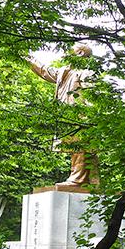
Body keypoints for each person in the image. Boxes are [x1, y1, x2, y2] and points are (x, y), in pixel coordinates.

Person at [26, 45, 98, 187]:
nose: (66, 53)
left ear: (80, 53)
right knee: (74, 149)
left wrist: (91, 118)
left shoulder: (87, 73)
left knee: (81, 147)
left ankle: (78, 179)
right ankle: (79, 178)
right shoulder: (64, 72)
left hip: (81, 115)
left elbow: (93, 98)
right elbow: (45, 71)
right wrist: (28, 58)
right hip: (67, 115)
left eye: (70, 50)